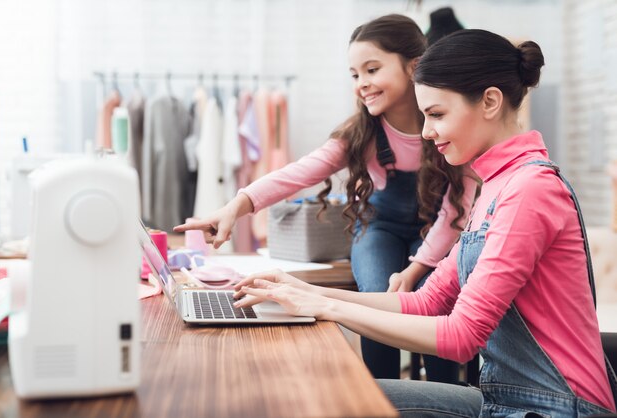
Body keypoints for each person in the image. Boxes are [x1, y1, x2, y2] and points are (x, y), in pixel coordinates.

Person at [231, 29, 617, 416]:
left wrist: (324, 307)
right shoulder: (493, 186)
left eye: (436, 114)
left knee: (340, 404)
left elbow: (462, 336)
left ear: (490, 102)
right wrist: (307, 293)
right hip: (512, 401)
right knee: (333, 392)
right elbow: (427, 302)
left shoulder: (530, 190)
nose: (426, 131)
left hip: (559, 408)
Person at [174, 14, 478, 381]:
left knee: (437, 300)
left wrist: (416, 268)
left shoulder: (446, 125)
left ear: (413, 66)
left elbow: (455, 212)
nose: (362, 84)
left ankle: (449, 397)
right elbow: (299, 172)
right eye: (355, 75)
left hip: (437, 231)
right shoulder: (362, 132)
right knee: (376, 296)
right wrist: (236, 206)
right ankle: (381, 393)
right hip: (380, 227)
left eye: (372, 69)